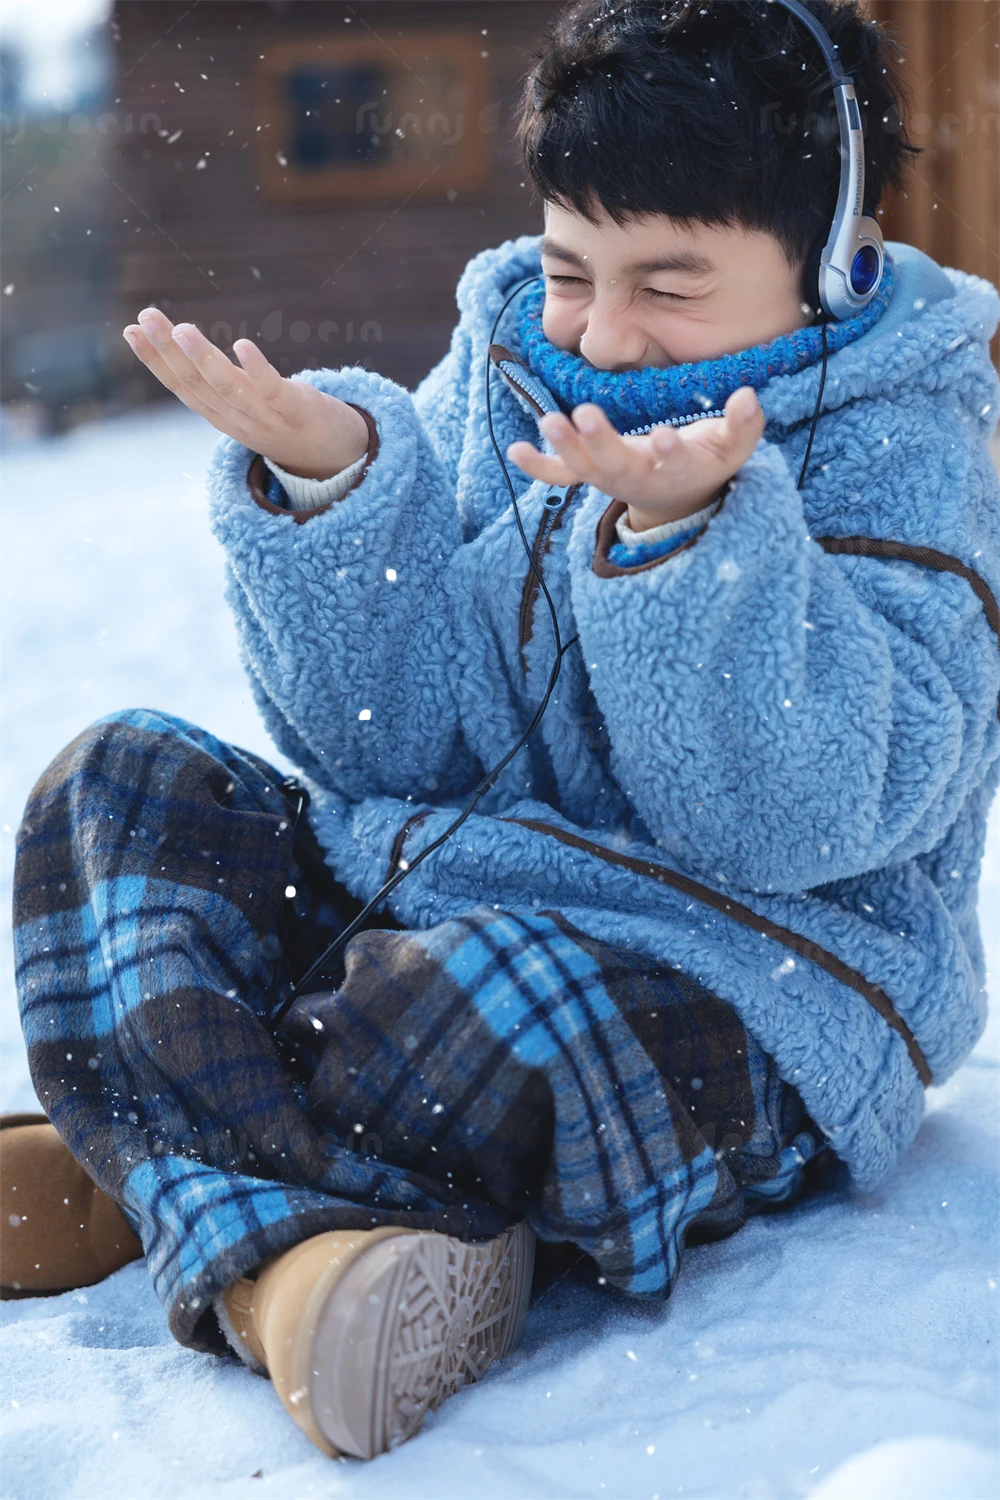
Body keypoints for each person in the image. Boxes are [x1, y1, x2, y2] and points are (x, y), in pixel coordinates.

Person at [5, 0, 999, 1463]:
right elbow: (386, 750)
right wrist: (339, 491)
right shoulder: (506, 365)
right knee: (119, 787)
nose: (603, 329)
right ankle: (279, 1212)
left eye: (671, 283)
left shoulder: (902, 442)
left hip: (744, 976)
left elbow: (796, 819)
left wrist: (686, 542)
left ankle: (174, 1161)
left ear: (834, 258)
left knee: (495, 1008)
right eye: (571, 268)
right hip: (431, 908)